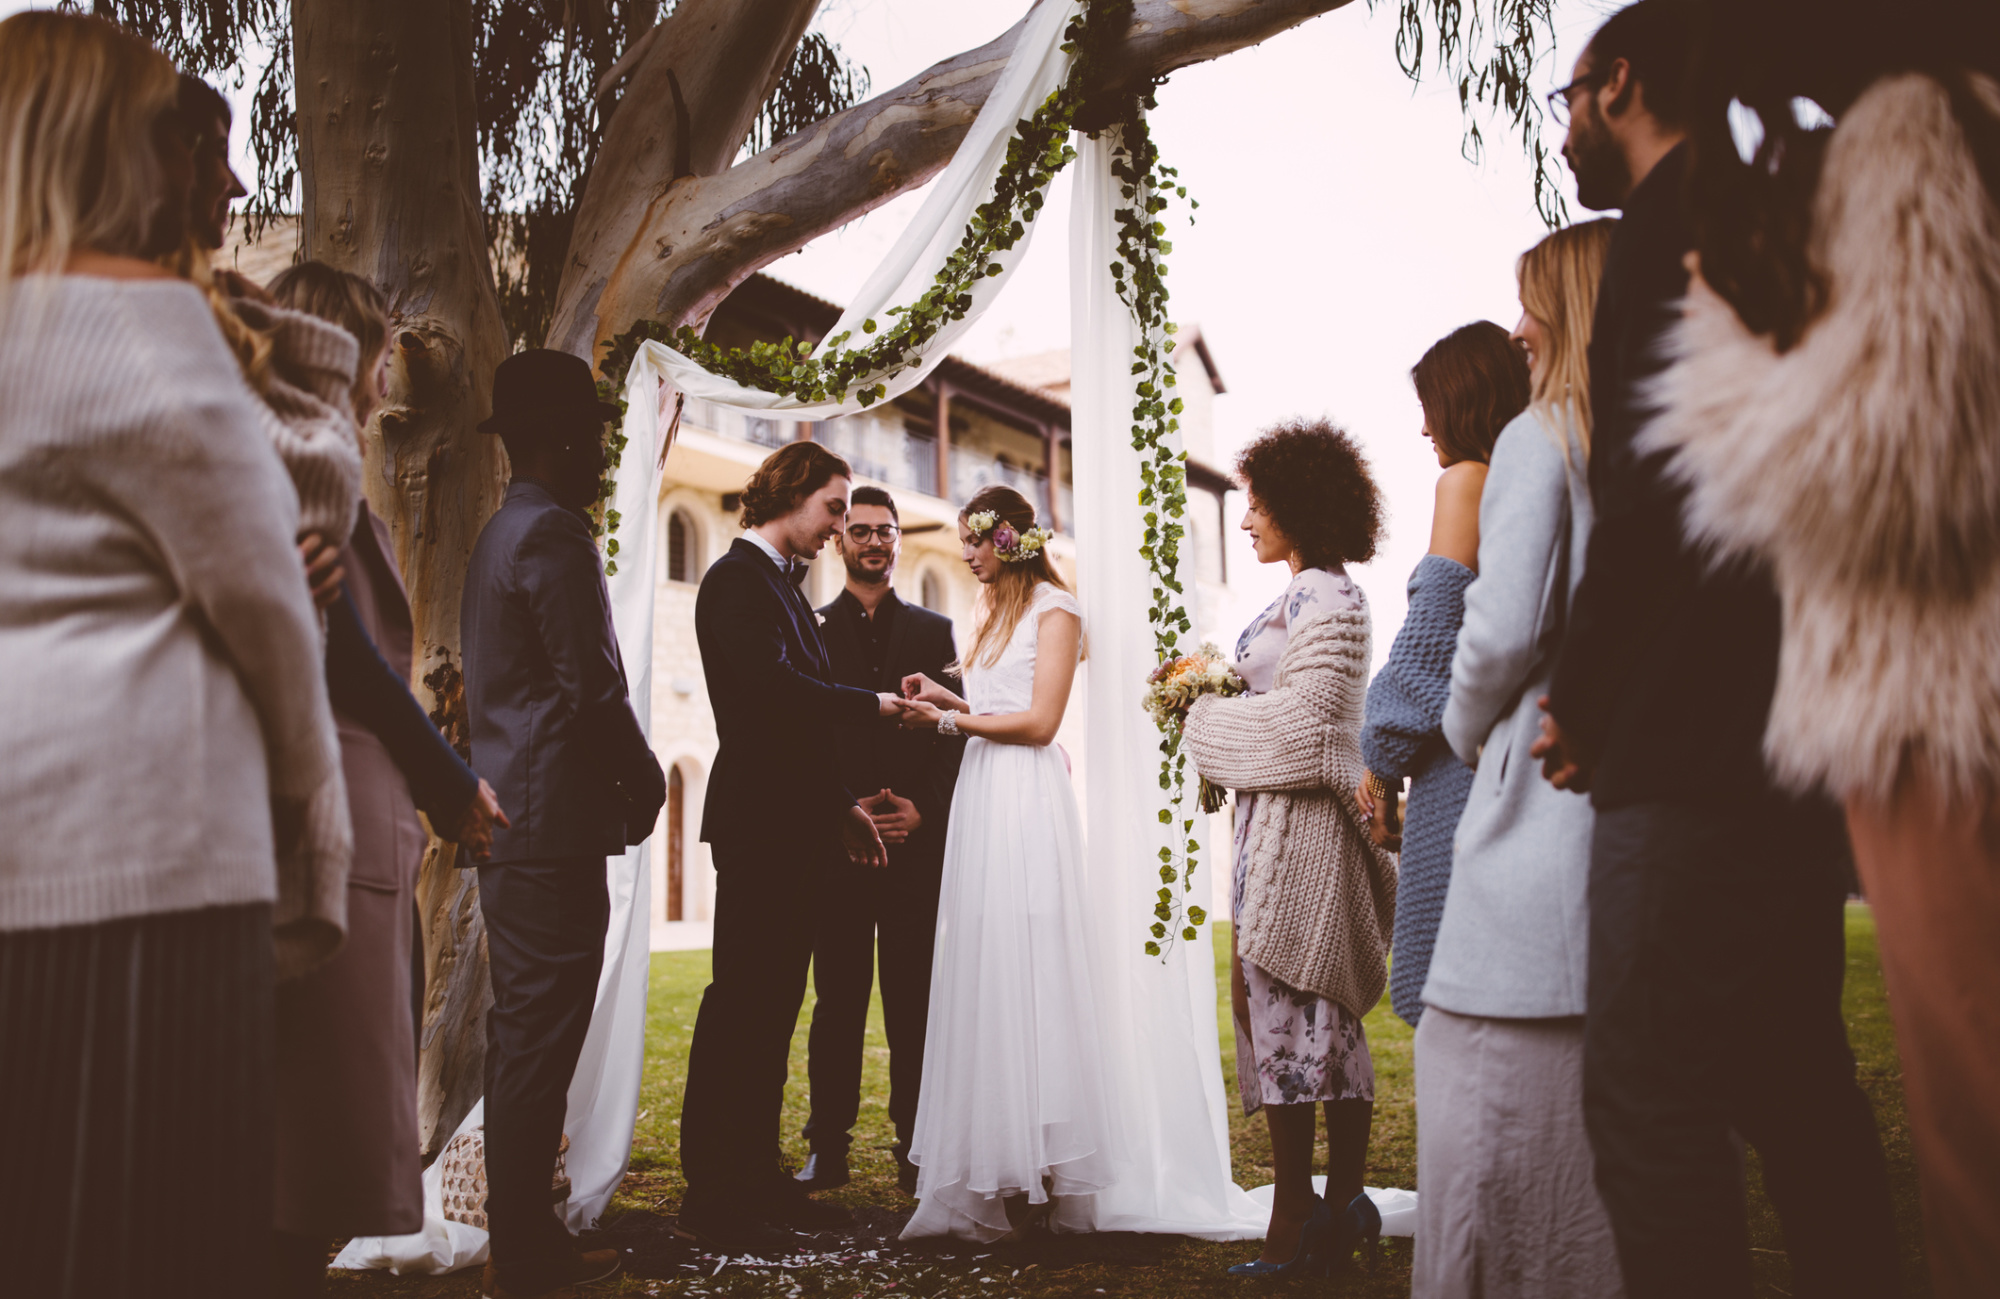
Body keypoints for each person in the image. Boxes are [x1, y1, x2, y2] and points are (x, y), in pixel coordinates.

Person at [1528, 4, 1900, 1295]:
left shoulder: (1661, 230)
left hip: (1690, 738)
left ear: (1619, 82)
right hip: (1791, 722)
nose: (1566, 128)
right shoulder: (1759, 218)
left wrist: (1582, 696)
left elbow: (1653, 497)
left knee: (1645, 1099)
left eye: (1567, 97)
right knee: (1787, 1072)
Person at [1644, 3, 2000, 1290]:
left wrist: (1721, 347)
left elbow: (1889, 455)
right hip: (1941, 688)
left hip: (1941, 696)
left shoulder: (1913, 126)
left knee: (1974, 1126)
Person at [0, 13, 348, 1295]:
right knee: (159, 1224)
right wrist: (307, 791)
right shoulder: (139, 319)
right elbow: (262, 591)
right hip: (150, 837)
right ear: (111, 140)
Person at [264, 261, 508, 1298]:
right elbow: (337, 648)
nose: (384, 379)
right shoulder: (296, 461)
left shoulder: (322, 470)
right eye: (374, 353)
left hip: (367, 819)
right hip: (333, 813)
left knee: (330, 1122)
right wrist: (446, 778)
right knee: (315, 1123)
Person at [1412, 219, 1622, 1299]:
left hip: (1529, 800)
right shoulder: (1659, 441)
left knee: (1478, 1119)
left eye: (1528, 301)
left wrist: (1455, 730)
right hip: (1624, 816)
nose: (1515, 327)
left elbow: (1495, 628)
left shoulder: (1545, 436)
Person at [462, 347, 666, 1299]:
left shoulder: (501, 533)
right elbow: (590, 685)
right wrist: (646, 776)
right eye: (594, 435)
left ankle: (526, 1237)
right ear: (562, 437)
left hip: (518, 821)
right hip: (548, 824)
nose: (602, 451)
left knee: (526, 1038)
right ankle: (526, 1251)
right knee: (539, 1041)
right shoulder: (552, 534)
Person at [1181, 422, 1398, 1276]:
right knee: (1280, 1012)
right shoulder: (1294, 599)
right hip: (1263, 832)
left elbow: (1308, 733)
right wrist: (1217, 697)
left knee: (1305, 1016)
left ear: (1298, 505)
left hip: (1307, 840)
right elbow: (1278, 714)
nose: (1246, 521)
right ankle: (1334, 1206)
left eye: (1259, 505)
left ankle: (1301, 1217)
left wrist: (1199, 718)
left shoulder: (1335, 603)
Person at [678, 440, 902, 1256]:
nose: (842, 527)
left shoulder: (782, 587)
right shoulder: (735, 581)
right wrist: (872, 704)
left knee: (774, 1009)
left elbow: (800, 734)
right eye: (836, 509)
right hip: (757, 828)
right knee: (739, 1005)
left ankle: (755, 1173)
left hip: (797, 825)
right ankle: (714, 1193)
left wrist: (841, 805)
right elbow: (774, 697)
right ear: (792, 492)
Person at [893, 485, 1113, 1245]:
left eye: (976, 541)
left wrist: (948, 718)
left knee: (1035, 960)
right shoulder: (991, 612)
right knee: (989, 962)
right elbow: (994, 700)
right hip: (983, 795)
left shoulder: (1058, 608)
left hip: (1027, 794)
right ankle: (998, 1160)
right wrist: (945, 692)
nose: (966, 554)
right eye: (963, 542)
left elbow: (1041, 719)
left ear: (1011, 536)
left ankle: (1050, 1162)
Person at [1359, 321, 1528, 1028]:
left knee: (1448, 997)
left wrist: (1379, 750)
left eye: (1429, 403)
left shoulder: (1467, 481)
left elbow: (1433, 634)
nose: (1424, 425)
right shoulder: (1539, 477)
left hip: (1460, 768)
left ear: (1461, 398)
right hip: (1510, 754)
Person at [798, 486, 965, 1198]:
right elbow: (804, 727)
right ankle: (825, 1148)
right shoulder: (809, 628)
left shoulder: (935, 629)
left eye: (885, 531)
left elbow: (957, 734)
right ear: (840, 540)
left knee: (913, 999)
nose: (873, 542)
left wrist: (924, 811)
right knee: (836, 1001)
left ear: (899, 540)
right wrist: (844, 806)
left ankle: (916, 1147)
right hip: (839, 847)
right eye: (859, 530)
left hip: (914, 850)